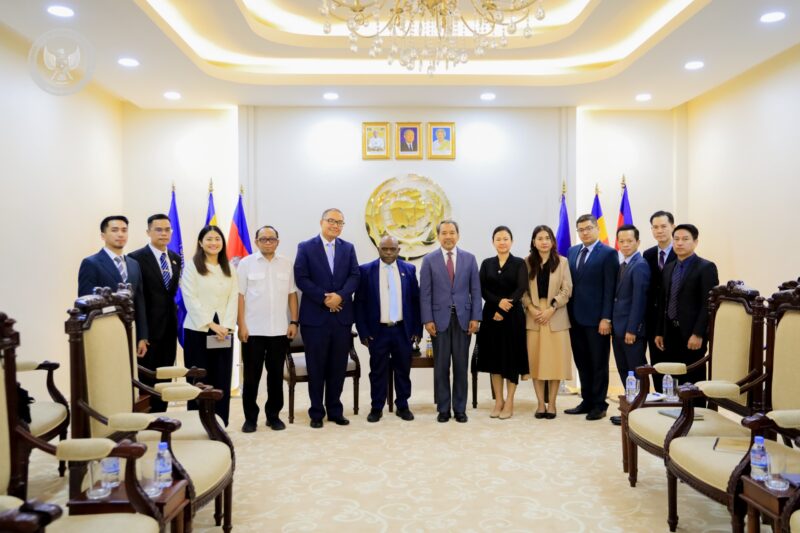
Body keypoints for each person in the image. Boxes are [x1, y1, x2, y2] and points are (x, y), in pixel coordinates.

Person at [294, 208, 360, 429]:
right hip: (315, 318)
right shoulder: (305, 247)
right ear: (321, 222)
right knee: (316, 366)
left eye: (340, 222)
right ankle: (316, 412)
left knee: (337, 366)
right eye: (331, 221)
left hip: (341, 318)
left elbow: (354, 276)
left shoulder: (348, 248)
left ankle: (335, 410)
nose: (335, 225)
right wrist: (325, 299)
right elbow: (301, 278)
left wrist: (340, 296)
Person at [237, 225, 298, 433]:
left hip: (279, 330)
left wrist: (293, 322)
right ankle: (250, 418)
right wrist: (241, 325)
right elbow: (240, 296)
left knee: (275, 377)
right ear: (256, 242)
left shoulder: (286, 264)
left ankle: (273, 416)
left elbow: (292, 295)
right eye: (263, 239)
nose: (268, 242)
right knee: (251, 377)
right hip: (253, 331)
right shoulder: (246, 264)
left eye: (272, 239)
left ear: (278, 242)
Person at [354, 235, 422, 423]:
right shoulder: (366, 271)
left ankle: (402, 406)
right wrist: (363, 331)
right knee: (377, 371)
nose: (389, 252)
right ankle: (377, 407)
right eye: (385, 249)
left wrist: (417, 329)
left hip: (403, 330)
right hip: (378, 332)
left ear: (399, 250)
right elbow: (358, 304)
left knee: (403, 369)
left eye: (393, 249)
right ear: (378, 249)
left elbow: (415, 302)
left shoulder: (409, 269)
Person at [420, 220, 481, 423]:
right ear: (438, 236)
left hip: (464, 319)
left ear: (458, 235)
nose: (448, 236)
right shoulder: (429, 260)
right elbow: (425, 293)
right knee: (441, 367)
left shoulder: (470, 259)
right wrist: (427, 319)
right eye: (444, 233)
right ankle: (444, 408)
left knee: (461, 367)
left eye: (452, 232)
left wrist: (475, 317)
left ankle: (460, 409)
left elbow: (475, 290)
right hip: (439, 321)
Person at [180, 225, 239, 427]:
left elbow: (234, 298)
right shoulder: (192, 266)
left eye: (217, 239)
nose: (214, 243)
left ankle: (220, 423)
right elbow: (190, 298)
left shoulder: (229, 267)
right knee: (199, 379)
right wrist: (212, 325)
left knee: (221, 377)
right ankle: (197, 423)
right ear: (200, 243)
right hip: (199, 330)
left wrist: (227, 326)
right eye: (209, 239)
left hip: (224, 333)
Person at [565, 214, 619, 420]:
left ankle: (599, 404)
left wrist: (606, 318)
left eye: (588, 228)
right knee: (582, 361)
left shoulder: (608, 253)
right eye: (581, 229)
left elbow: (610, 288)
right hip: (574, 318)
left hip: (597, 320)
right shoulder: (572, 251)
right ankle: (586, 400)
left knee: (598, 362)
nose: (584, 232)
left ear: (597, 229)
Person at [654, 224, 719, 388]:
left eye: (685, 239)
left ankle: (695, 411)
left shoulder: (706, 267)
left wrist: (698, 333)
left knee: (692, 378)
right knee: (672, 378)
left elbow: (708, 304)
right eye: (676, 239)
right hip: (670, 332)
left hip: (691, 334)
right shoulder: (669, 268)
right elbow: (663, 301)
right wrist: (659, 332)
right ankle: (675, 411)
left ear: (695, 242)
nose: (679, 243)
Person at [128, 214, 182, 412]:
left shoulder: (175, 259)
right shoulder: (135, 259)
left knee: (165, 377)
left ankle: (161, 419)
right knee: (147, 379)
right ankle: (147, 421)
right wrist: (140, 335)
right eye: (158, 229)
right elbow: (135, 297)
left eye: (167, 229)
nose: (164, 233)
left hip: (169, 329)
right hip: (148, 331)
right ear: (148, 232)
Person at [521, 225, 573, 420]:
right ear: (533, 242)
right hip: (534, 316)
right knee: (536, 363)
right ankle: (540, 404)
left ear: (552, 241)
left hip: (556, 315)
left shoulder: (563, 262)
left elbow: (567, 290)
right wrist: (532, 309)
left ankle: (552, 404)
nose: (543, 241)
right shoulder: (526, 263)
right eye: (539, 238)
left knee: (555, 363)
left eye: (547, 238)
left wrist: (552, 308)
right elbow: (523, 292)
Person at [475, 226, 527, 419]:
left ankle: (510, 401)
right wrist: (498, 303)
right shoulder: (487, 263)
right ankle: (498, 400)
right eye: (498, 239)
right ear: (493, 242)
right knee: (494, 359)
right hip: (491, 317)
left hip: (513, 317)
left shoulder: (519, 263)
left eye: (506, 239)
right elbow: (482, 289)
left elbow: (521, 288)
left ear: (511, 242)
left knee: (511, 359)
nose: (502, 242)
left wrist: (505, 307)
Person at [78, 215, 148, 356]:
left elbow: (139, 301)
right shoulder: (91, 263)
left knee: (128, 375)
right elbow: (85, 303)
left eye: (124, 230)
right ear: (103, 235)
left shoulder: (134, 264)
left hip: (129, 331)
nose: (120, 234)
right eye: (115, 230)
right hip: (103, 332)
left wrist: (142, 336)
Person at [610, 224, 650, 426]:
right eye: (622, 241)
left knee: (635, 371)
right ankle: (630, 410)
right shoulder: (624, 264)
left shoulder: (640, 265)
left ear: (638, 242)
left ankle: (640, 412)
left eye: (629, 241)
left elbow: (639, 300)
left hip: (630, 331)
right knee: (625, 372)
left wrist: (632, 329)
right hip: (618, 329)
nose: (625, 245)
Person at [642, 210, 677, 392]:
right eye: (655, 227)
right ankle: (660, 401)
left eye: (663, 226)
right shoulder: (647, 255)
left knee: (674, 367)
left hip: (674, 321)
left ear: (672, 226)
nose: (659, 231)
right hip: (653, 320)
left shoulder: (681, 253)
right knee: (657, 364)